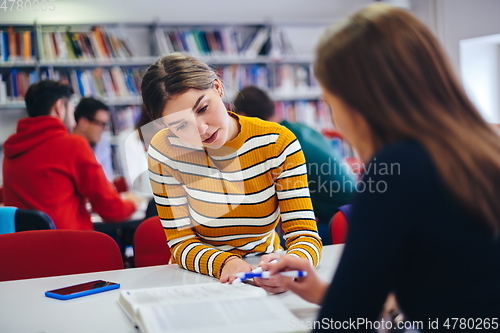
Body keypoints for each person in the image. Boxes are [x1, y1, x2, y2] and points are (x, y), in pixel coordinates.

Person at [258, 4, 500, 332]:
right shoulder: (482, 147)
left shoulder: (399, 167)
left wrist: (341, 300)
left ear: (358, 102)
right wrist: (323, 292)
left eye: (330, 103)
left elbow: (342, 321)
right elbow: (456, 286)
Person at [141, 53, 322, 285]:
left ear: (218, 88)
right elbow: (180, 242)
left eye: (203, 108)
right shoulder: (164, 149)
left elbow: (304, 234)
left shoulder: (277, 142)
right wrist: (225, 263)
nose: (202, 129)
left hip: (265, 265)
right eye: (180, 125)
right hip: (200, 275)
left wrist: (291, 267)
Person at [2, 80, 142, 230]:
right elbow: (112, 210)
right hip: (70, 247)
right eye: (72, 109)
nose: (73, 119)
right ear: (59, 107)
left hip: (23, 249)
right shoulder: (72, 145)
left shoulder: (11, 150)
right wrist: (133, 202)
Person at [234, 86, 354, 242]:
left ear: (243, 117)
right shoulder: (300, 128)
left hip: (338, 223)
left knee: (268, 244)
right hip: (353, 211)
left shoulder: (276, 143)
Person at [73, 97, 114, 180]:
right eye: (102, 124)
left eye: (106, 124)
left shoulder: (102, 143)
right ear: (83, 123)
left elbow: (107, 179)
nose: (105, 129)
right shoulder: (67, 148)